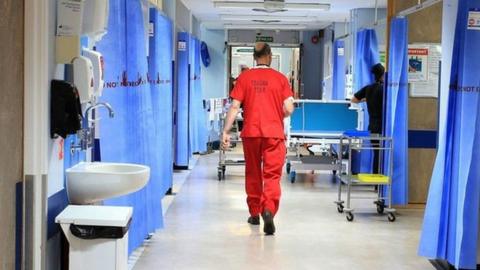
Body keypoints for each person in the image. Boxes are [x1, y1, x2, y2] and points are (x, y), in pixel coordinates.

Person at [222, 42, 295, 235]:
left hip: (251, 133)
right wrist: (277, 115)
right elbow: (288, 108)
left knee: (253, 172)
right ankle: (268, 209)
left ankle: (254, 213)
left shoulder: (244, 78)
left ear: (254, 57)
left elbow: (235, 107)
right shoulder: (280, 79)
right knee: (272, 175)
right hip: (273, 133)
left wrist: (225, 132)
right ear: (269, 56)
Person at [351, 63, 385, 174]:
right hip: (382, 126)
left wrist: (366, 100)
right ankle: (380, 181)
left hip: (372, 126)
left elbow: (354, 100)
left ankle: (376, 183)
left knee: (377, 153)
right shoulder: (384, 89)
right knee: (382, 154)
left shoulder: (368, 88)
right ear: (382, 75)